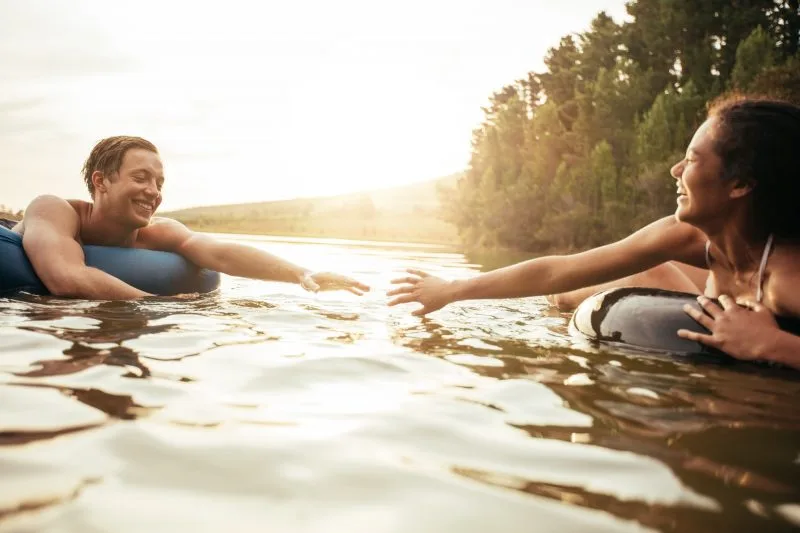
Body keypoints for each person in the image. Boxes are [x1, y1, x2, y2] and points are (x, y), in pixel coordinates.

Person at [388, 95, 800, 368]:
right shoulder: (689, 237)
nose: (675, 171)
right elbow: (560, 270)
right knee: (622, 278)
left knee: (648, 276)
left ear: (740, 184)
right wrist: (453, 290)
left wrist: (773, 344)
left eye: (691, 160)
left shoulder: (789, 279)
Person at [10, 136, 369, 300]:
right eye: (140, 178)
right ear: (101, 182)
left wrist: (300, 273)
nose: (153, 191)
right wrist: (158, 307)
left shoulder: (160, 233)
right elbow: (65, 278)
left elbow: (218, 253)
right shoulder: (53, 210)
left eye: (159, 182)